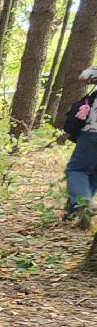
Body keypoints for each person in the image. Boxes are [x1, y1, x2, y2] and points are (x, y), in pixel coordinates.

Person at [63, 65, 97, 229]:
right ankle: (78, 209)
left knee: (76, 170)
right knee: (94, 172)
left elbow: (84, 76)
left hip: (93, 132)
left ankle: (83, 204)